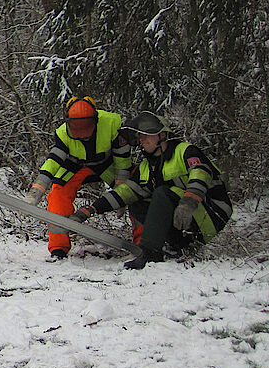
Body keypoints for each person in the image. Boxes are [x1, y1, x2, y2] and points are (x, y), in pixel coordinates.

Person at [71, 111, 233, 270]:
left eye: (146, 135)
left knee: (162, 193)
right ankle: (175, 247)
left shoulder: (185, 151)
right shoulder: (147, 167)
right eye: (140, 136)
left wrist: (188, 203)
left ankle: (149, 252)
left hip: (211, 213)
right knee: (137, 200)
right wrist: (91, 209)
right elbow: (125, 192)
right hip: (186, 223)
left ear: (162, 135)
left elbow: (201, 174)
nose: (142, 140)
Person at [25, 96, 132, 260]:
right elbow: (53, 161)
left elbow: (123, 161)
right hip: (74, 166)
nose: (82, 134)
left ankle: (144, 243)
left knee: (134, 189)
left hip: (107, 165)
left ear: (95, 120)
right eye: (76, 128)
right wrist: (36, 191)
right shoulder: (62, 133)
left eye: (86, 127)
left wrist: (121, 193)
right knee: (57, 194)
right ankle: (58, 248)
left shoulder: (112, 124)